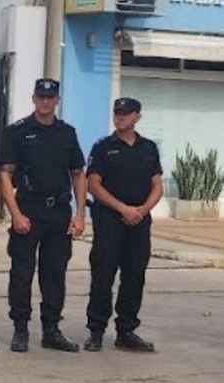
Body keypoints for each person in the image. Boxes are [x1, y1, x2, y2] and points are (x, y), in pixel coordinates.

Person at [0, 78, 87, 353]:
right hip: (29, 208)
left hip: (59, 211)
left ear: (57, 100)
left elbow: (77, 174)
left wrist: (81, 214)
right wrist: (15, 213)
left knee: (54, 273)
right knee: (22, 272)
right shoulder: (18, 132)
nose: (45, 101)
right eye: (41, 97)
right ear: (34, 99)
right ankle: (21, 329)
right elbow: (5, 174)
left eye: (50, 97)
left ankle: (51, 330)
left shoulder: (67, 133)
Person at [83, 97, 162, 353]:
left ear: (137, 117)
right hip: (110, 221)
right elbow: (93, 184)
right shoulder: (103, 147)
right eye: (117, 113)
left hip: (139, 222)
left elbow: (157, 185)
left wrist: (141, 211)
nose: (120, 117)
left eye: (126, 113)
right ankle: (96, 330)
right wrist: (123, 209)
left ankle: (126, 330)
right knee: (103, 276)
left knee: (134, 276)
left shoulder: (148, 147)